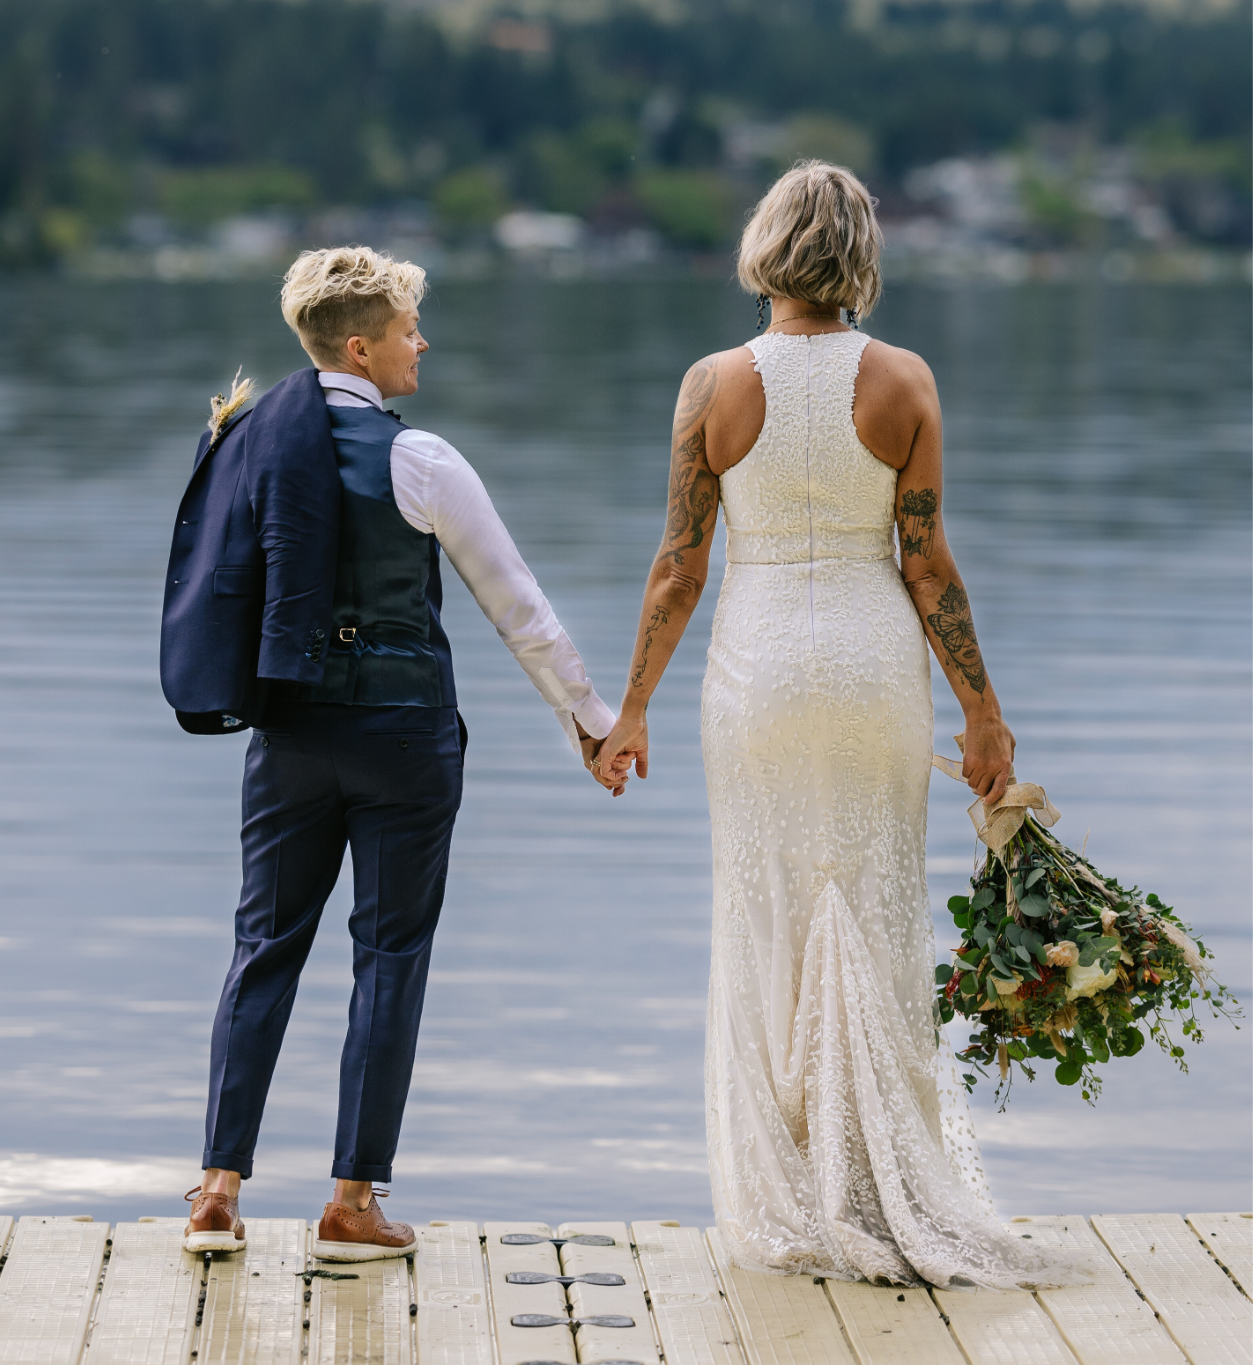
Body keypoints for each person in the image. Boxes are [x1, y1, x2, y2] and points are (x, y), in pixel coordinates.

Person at [595, 163, 1077, 1287]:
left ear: (764, 249)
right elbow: (925, 561)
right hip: (869, 667)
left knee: (765, 910)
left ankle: (795, 1193)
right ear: (859, 256)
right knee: (870, 902)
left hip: (754, 672)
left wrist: (629, 710)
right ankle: (874, 1186)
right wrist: (980, 711)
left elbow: (677, 567)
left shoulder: (709, 385)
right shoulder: (900, 380)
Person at [161, 246, 616, 1260]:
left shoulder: (244, 444)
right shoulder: (423, 461)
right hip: (404, 740)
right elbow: (521, 613)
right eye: (411, 328)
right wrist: (587, 718)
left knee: (262, 947)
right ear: (362, 347)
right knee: (389, 959)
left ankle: (215, 1193)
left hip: (288, 739)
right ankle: (351, 1204)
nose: (424, 343)